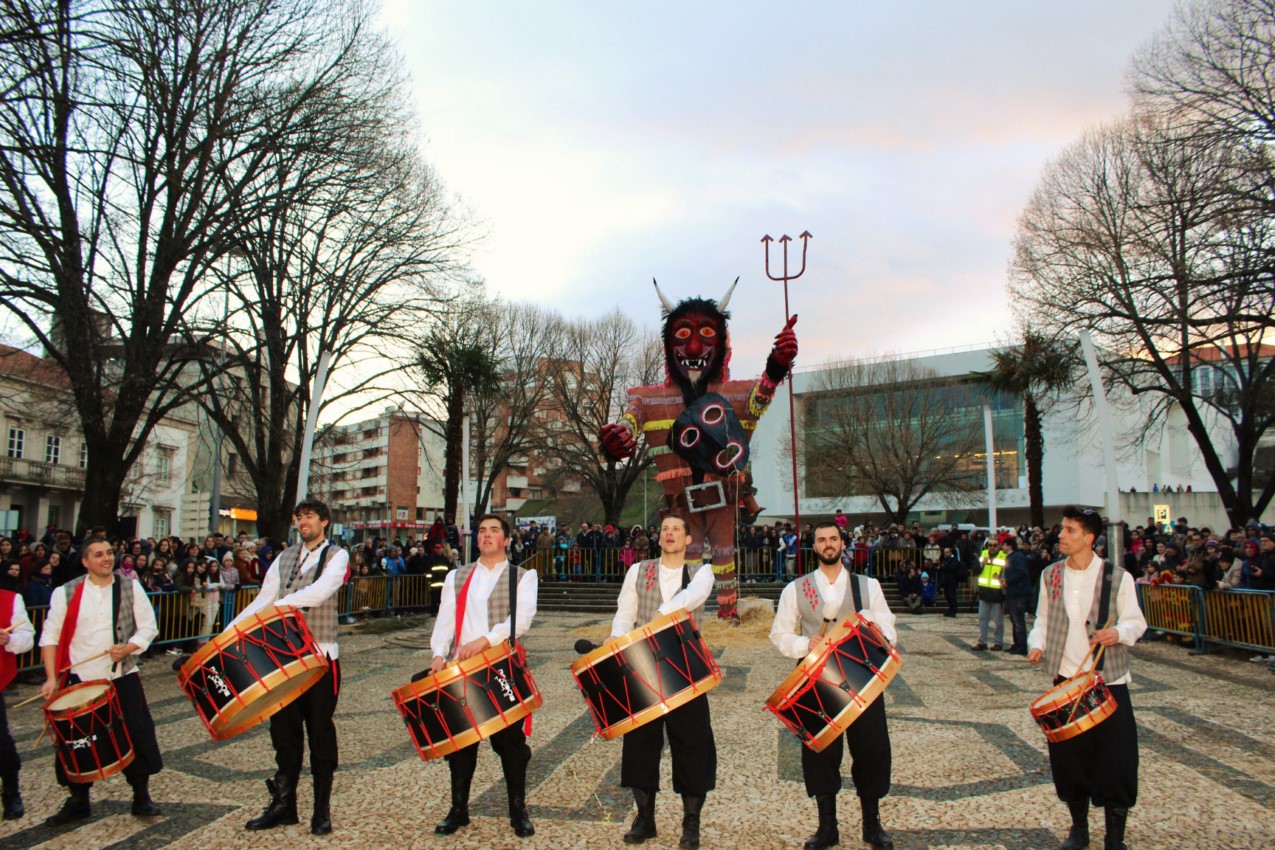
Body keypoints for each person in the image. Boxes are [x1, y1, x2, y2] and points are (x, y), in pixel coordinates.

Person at [770, 521, 896, 850]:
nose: (828, 544)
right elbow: (779, 634)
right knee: (820, 753)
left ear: (843, 544)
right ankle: (827, 827)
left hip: (861, 678)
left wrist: (873, 632)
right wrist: (803, 645)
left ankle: (872, 824)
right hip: (816, 681)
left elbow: (890, 630)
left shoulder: (867, 586)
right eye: (822, 540)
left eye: (834, 539)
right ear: (814, 547)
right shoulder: (796, 589)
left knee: (872, 748)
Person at [1028, 507, 1147, 850]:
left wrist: (1118, 633)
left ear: (1089, 539)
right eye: (1062, 530)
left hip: (1108, 681)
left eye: (1069, 530)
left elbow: (1136, 622)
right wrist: (1037, 645)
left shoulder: (1117, 577)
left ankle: (1115, 837)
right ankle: (1078, 829)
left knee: (1117, 758)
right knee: (1069, 760)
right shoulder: (1050, 575)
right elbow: (1042, 619)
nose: (1061, 536)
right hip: (1066, 681)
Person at [233, 500, 349, 835]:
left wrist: (279, 607)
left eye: (310, 517)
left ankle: (321, 809)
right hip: (282, 658)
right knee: (283, 733)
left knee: (320, 732)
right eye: (299, 518)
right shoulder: (284, 557)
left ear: (324, 522)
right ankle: (285, 805)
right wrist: (228, 633)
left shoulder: (336, 556)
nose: (303, 522)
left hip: (320, 656)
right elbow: (262, 599)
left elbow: (320, 592)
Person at [38, 536, 163, 825]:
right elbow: (50, 637)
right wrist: (49, 678)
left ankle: (141, 796)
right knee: (76, 742)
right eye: (98, 554)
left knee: (136, 733)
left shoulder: (130, 586)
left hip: (121, 675)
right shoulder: (65, 592)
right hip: (80, 679)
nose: (106, 558)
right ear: (85, 561)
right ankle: (79, 799)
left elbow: (148, 627)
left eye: (109, 552)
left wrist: (129, 647)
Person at [609, 515, 716, 849]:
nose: (670, 533)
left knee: (693, 744)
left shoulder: (703, 573)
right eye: (665, 529)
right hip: (643, 666)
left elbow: (692, 598)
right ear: (659, 538)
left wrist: (662, 613)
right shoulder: (637, 571)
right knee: (641, 744)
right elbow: (625, 614)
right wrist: (616, 647)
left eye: (677, 530)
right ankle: (645, 819)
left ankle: (691, 822)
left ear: (688, 540)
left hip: (687, 668)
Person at [428, 514, 538, 838]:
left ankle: (518, 809)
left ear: (506, 540)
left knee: (511, 745)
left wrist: (485, 641)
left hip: (501, 666)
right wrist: (437, 654)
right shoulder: (457, 577)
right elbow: (445, 621)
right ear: (476, 539)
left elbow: (523, 620)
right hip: (461, 671)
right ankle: (458, 809)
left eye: (494, 531)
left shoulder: (523, 576)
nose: (487, 536)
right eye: (482, 531)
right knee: (461, 745)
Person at [0, 580, 34, 819]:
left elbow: (26, 638)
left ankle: (11, 791)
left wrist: (9, 640)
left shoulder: (10, 599)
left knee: (1, 742)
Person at [974, 538, 1007, 651]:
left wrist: (1002, 580)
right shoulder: (983, 555)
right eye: (990, 545)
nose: (992, 547)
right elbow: (974, 570)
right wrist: (981, 564)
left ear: (999, 546)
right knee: (982, 619)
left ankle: (998, 642)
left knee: (998, 621)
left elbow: (1007, 572)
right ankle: (982, 641)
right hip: (984, 592)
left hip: (997, 593)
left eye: (995, 545)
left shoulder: (1003, 556)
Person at [1002, 538, 1032, 656]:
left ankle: (1021, 645)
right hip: (1013, 592)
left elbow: (1021, 572)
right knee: (1014, 619)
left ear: (1009, 546)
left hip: (1018, 592)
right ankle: (1017, 643)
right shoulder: (1012, 557)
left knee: (1018, 620)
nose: (1002, 546)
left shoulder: (1016, 557)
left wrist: (1008, 581)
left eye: (1003, 544)